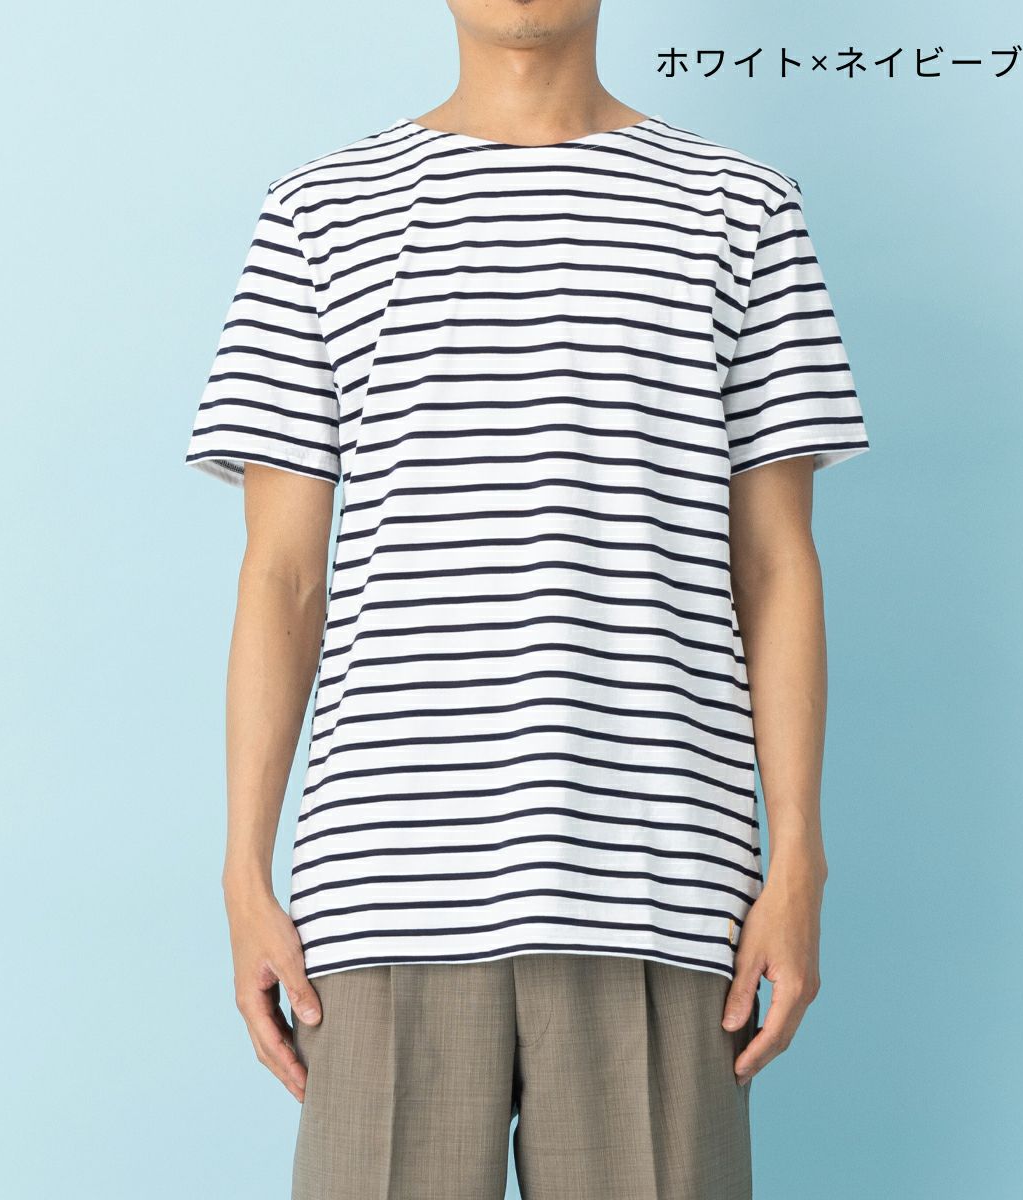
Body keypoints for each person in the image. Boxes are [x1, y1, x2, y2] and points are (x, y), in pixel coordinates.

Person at [184, 1, 869, 1196]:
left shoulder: (743, 208)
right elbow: (282, 574)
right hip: (383, 886)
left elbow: (776, 563)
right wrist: (245, 871)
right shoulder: (316, 214)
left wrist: (799, 857)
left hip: (663, 881)